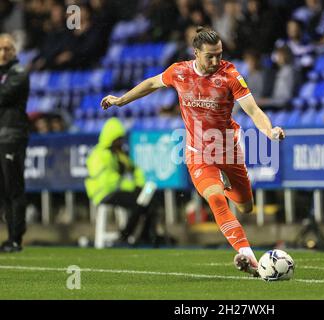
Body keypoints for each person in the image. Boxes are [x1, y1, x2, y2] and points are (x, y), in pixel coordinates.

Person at [100, 27, 285, 276]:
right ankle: (249, 258)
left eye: (219, 55)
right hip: (198, 152)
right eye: (210, 56)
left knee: (246, 207)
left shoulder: (230, 75)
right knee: (216, 200)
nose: (216, 61)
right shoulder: (180, 72)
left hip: (227, 149)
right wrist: (121, 100)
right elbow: (152, 83)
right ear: (195, 53)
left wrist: (270, 131)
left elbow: (253, 110)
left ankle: (227, 182)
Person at [85, 117, 159, 246]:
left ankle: (143, 236)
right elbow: (107, 181)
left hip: (118, 190)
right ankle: (126, 236)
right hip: (103, 193)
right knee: (140, 203)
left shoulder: (118, 154)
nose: (121, 142)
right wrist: (132, 186)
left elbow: (135, 169)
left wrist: (140, 185)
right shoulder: (99, 155)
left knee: (148, 201)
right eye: (118, 139)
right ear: (111, 138)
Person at [0, 33, 30, 253]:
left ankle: (16, 238)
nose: (3, 53)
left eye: (8, 49)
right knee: (3, 191)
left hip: (11, 137)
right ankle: (9, 237)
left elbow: (3, 96)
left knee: (14, 189)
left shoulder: (19, 73)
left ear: (14, 51)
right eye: (0, 49)